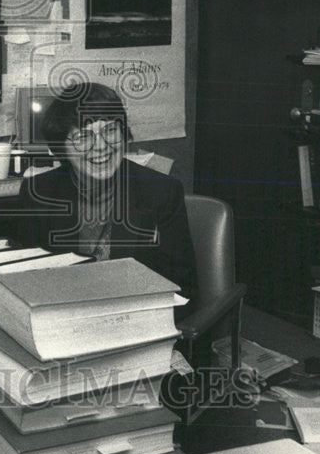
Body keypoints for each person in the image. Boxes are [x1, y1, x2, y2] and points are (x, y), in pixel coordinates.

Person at [12, 81, 198, 316]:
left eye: (110, 130)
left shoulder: (161, 192)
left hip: (139, 323)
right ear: (62, 148)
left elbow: (183, 289)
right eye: (83, 136)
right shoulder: (39, 192)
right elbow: (22, 283)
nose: (100, 146)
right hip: (63, 323)